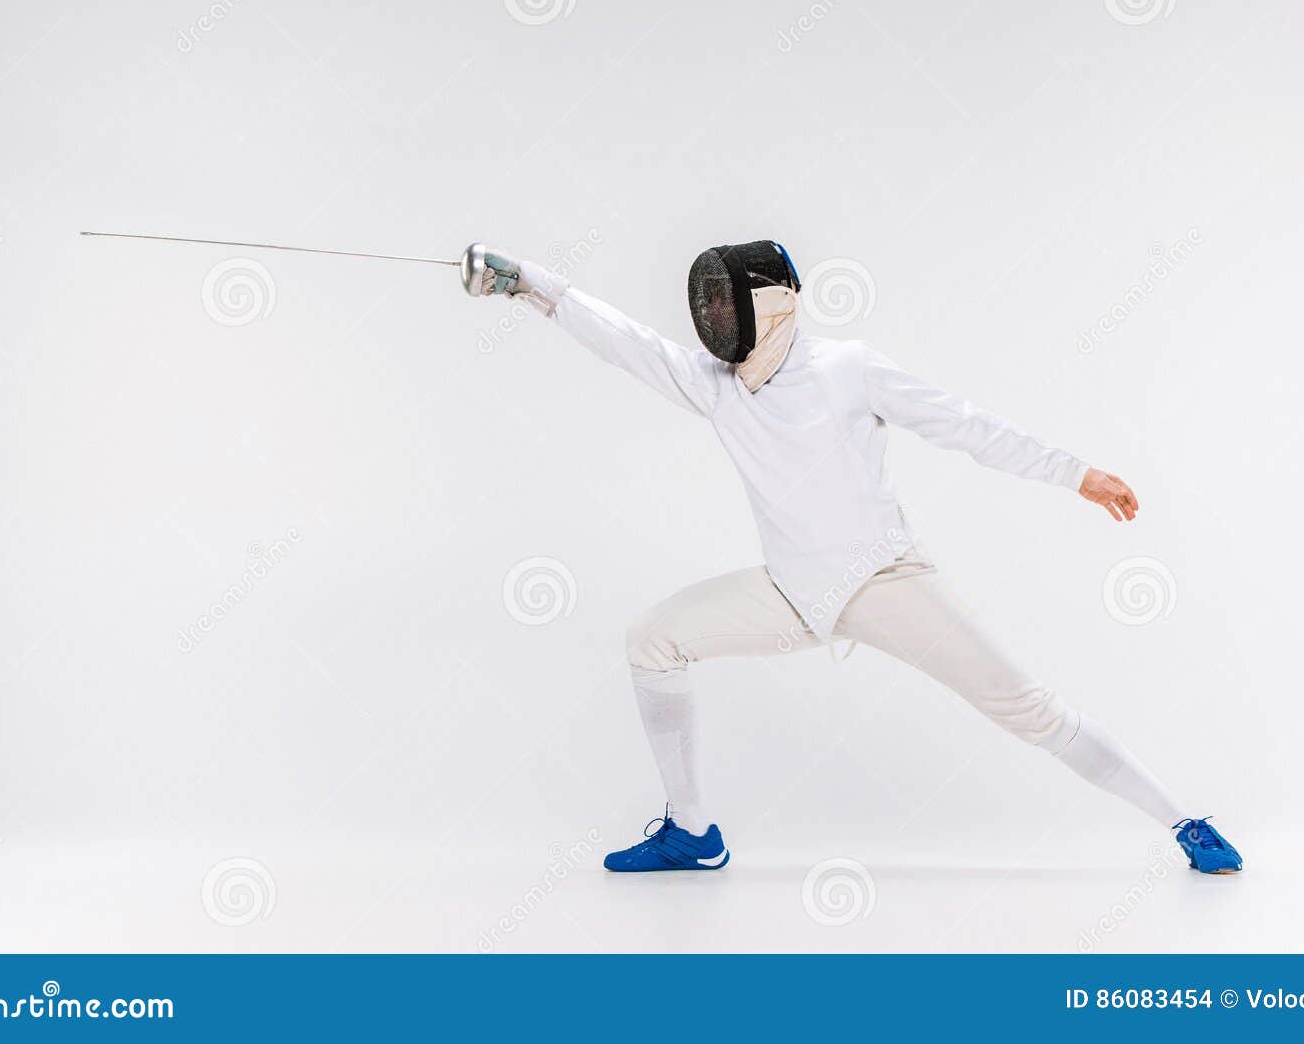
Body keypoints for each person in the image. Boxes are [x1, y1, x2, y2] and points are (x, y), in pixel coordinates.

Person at [475, 241, 1242, 875]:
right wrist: (527, 285)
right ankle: (695, 833)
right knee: (654, 639)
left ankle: (1182, 821)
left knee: (1031, 710)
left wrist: (1076, 472)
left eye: (723, 303)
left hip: (884, 584)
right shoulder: (718, 389)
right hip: (792, 593)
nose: (711, 318)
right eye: (706, 305)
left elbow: (965, 425)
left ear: (768, 306)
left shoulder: (848, 368)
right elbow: (625, 344)